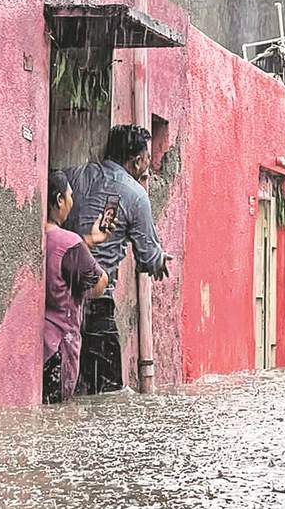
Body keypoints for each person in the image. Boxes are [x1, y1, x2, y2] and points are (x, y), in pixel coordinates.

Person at [64, 125, 172, 394]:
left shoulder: (75, 177)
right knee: (108, 398)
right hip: (97, 306)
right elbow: (147, 258)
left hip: (60, 302)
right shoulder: (135, 195)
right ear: (136, 161)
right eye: (147, 157)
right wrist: (160, 260)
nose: (149, 164)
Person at [42, 170, 110, 404]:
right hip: (60, 347)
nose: (72, 201)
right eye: (70, 196)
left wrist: (88, 241)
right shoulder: (69, 242)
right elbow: (99, 283)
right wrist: (86, 246)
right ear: (59, 200)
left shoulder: (42, 236)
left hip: (40, 346)